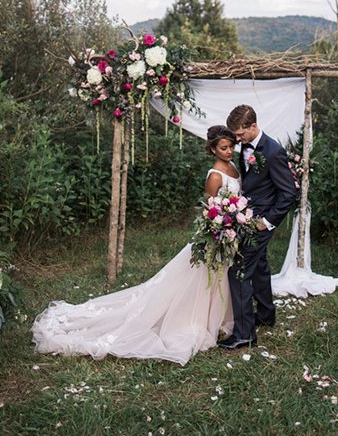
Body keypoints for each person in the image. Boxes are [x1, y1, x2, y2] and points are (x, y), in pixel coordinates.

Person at [31, 126, 238, 366]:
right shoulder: (215, 176)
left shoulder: (233, 168)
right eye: (224, 148)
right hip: (217, 233)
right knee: (200, 281)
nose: (229, 151)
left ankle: (220, 318)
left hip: (230, 233)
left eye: (232, 146)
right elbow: (210, 210)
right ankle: (193, 320)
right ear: (213, 148)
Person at [218, 105, 298, 350]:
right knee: (259, 265)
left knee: (239, 271)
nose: (237, 140)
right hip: (246, 215)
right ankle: (265, 314)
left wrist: (267, 222)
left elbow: (289, 193)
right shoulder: (245, 146)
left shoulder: (273, 152)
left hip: (261, 220)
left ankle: (245, 334)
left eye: (240, 134)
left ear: (253, 126)